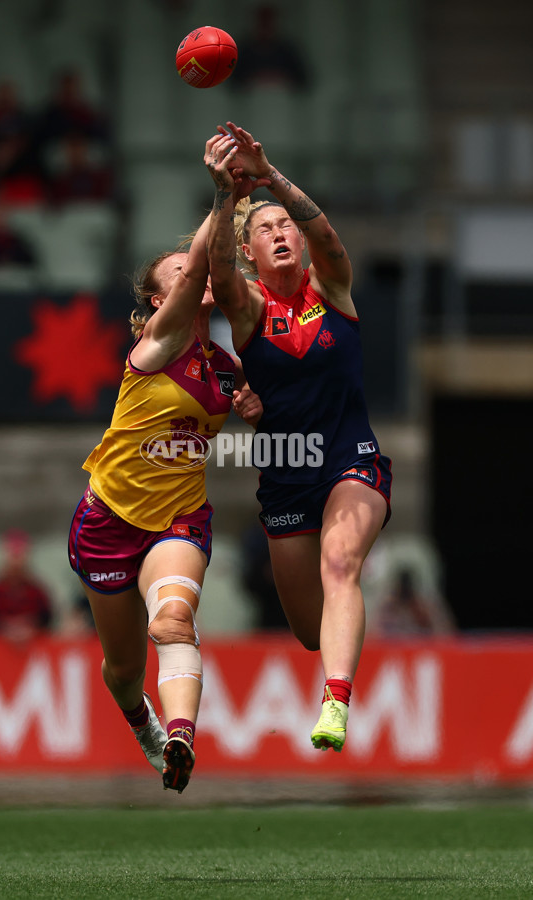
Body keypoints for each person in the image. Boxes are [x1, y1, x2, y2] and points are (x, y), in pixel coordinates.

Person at [204, 121, 393, 755]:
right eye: (265, 230)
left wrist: (267, 175)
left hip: (350, 459)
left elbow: (329, 236)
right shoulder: (249, 308)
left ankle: (335, 702)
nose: (281, 233)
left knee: (342, 564)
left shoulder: (332, 288)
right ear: (252, 254)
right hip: (286, 470)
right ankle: (334, 664)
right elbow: (218, 272)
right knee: (311, 631)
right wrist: (226, 195)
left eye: (285, 226)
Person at [67, 199, 262, 793]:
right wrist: (222, 196)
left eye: (191, 267)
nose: (192, 274)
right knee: (124, 670)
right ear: (158, 302)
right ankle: (141, 720)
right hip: (108, 522)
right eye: (178, 273)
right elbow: (207, 264)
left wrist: (257, 407)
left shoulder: (225, 366)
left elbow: (266, 399)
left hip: (178, 520)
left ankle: (181, 734)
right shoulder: (156, 343)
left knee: (174, 620)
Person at [0, 529, 54, 641]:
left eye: (20, 557)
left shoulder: (37, 592)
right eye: (13, 557)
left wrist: (30, 628)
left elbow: (48, 623)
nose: (16, 564)